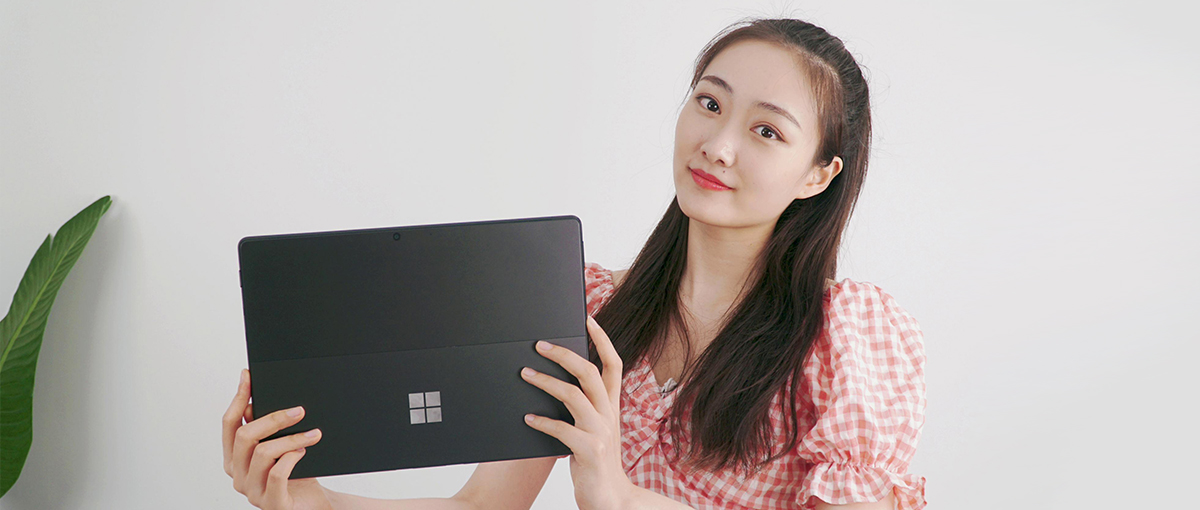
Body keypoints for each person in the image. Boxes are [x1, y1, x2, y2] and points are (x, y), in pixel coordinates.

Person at [222, 17, 927, 510]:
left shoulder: (847, 335)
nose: (718, 145)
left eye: (766, 130)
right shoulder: (587, 310)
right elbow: (481, 506)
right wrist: (310, 501)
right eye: (710, 103)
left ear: (818, 174)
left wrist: (614, 493)